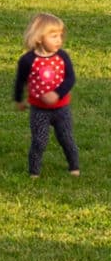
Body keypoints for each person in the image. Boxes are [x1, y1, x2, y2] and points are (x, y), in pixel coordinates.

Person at [15, 13, 80, 178]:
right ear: (38, 38)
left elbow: (70, 78)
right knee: (39, 141)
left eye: (60, 36)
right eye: (53, 36)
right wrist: (19, 99)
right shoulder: (27, 60)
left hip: (61, 109)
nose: (59, 40)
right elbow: (20, 80)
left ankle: (74, 167)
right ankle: (34, 172)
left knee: (66, 139)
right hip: (39, 110)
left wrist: (57, 94)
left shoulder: (62, 57)